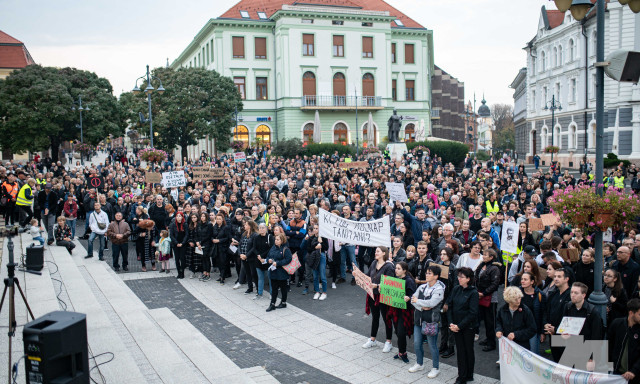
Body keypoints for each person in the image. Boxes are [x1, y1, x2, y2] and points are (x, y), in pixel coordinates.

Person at [409, 265, 445, 379]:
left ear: (436, 276)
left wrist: (420, 302)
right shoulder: (422, 287)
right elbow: (412, 300)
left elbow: (432, 303)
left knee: (432, 345)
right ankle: (419, 363)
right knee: (416, 343)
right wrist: (422, 306)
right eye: (427, 273)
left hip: (431, 321)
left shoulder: (439, 289)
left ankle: (435, 368)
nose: (427, 275)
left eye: (430, 273)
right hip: (419, 318)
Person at [447, 267, 479, 384]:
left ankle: (468, 374)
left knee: (468, 350)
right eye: (458, 276)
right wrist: (451, 323)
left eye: (462, 277)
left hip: (467, 326)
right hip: (455, 325)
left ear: (468, 279)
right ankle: (462, 375)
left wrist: (459, 326)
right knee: (460, 351)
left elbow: (473, 313)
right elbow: (450, 306)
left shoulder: (473, 293)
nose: (459, 279)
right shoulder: (456, 289)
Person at [363, 246, 396, 353]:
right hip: (373, 295)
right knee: (375, 317)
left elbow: (390, 283)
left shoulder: (389, 267)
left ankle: (388, 342)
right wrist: (358, 275)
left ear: (383, 253)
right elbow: (368, 276)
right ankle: (372, 339)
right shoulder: (373, 263)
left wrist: (376, 285)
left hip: (383, 296)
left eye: (378, 251)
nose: (375, 253)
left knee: (387, 318)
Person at [388, 261, 416, 363]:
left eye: (398, 269)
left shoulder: (409, 281)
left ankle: (403, 353)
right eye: (396, 268)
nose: (396, 270)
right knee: (398, 331)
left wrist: (408, 297)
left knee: (401, 332)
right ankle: (401, 352)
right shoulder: (395, 279)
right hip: (396, 310)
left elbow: (414, 295)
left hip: (405, 311)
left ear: (404, 270)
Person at [608, 298, 640, 383]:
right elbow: (608, 345)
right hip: (616, 374)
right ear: (631, 313)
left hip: (634, 376)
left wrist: (634, 371)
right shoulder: (617, 324)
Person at [475, 248, 501, 352]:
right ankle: (488, 338)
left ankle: (492, 342)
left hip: (490, 298)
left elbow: (495, 284)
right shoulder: (481, 265)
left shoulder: (494, 269)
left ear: (491, 257)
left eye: (485, 255)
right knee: (484, 319)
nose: (483, 256)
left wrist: (484, 293)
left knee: (490, 321)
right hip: (480, 295)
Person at [544, 267, 572, 362]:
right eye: (555, 276)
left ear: (566, 279)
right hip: (553, 334)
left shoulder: (571, 295)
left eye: (559, 276)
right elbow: (547, 311)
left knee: (565, 360)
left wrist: (557, 329)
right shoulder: (553, 294)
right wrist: (546, 324)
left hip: (565, 336)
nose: (556, 279)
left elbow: (571, 318)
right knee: (556, 359)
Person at [519, 272, 546, 355]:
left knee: (533, 354)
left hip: (533, 329)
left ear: (532, 282)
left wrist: (542, 332)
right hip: (519, 328)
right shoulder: (517, 293)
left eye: (525, 279)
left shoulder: (540, 295)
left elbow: (543, 314)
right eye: (522, 279)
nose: (522, 281)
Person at [266, 233, 292, 312]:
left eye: (278, 240)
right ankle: (272, 304)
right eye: (275, 239)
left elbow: (288, 259)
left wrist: (278, 263)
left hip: (282, 272)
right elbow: (268, 256)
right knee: (274, 289)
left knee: (283, 288)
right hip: (273, 272)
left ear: (282, 240)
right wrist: (268, 260)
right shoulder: (273, 247)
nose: (276, 241)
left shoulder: (285, 249)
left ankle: (283, 302)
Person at [239, 219, 259, 294]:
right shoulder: (244, 234)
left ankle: (257, 289)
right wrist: (240, 254)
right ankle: (250, 288)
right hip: (243, 256)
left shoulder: (255, 235)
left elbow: (254, 247)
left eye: (246, 224)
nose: (244, 226)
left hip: (251, 257)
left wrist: (246, 255)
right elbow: (240, 245)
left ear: (250, 226)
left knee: (254, 273)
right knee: (247, 273)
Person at [254, 223, 274, 299]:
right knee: (260, 278)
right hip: (258, 260)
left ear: (266, 229)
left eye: (263, 228)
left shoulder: (270, 237)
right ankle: (259, 293)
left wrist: (262, 257)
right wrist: (259, 256)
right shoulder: (256, 237)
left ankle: (272, 294)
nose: (261, 229)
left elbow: (271, 248)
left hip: (267, 260)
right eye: (260, 228)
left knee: (270, 278)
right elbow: (254, 248)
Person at [169, 212, 189, 279]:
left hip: (183, 244)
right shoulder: (173, 224)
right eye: (177, 216)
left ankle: (182, 272)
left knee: (182, 258)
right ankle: (178, 273)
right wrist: (176, 243)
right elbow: (171, 235)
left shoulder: (185, 224)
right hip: (175, 244)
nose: (178, 217)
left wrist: (182, 243)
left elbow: (186, 234)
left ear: (182, 217)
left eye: (180, 216)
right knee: (177, 259)